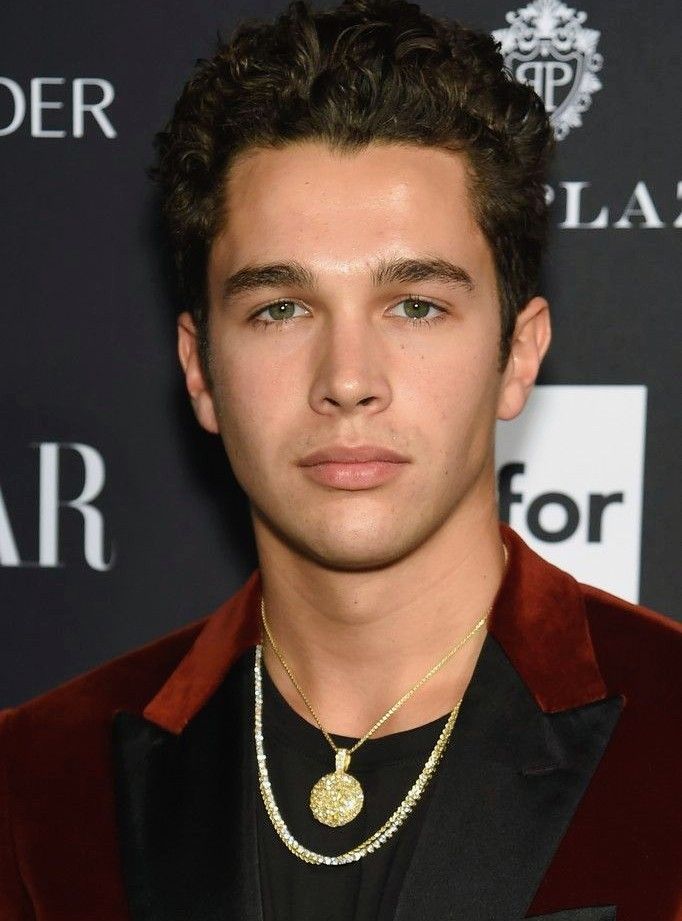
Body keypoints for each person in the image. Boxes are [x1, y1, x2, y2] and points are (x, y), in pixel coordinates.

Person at [1, 0, 680, 918]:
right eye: (280, 307)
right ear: (200, 369)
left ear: (518, 355)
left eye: (416, 305)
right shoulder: (39, 782)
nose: (348, 379)